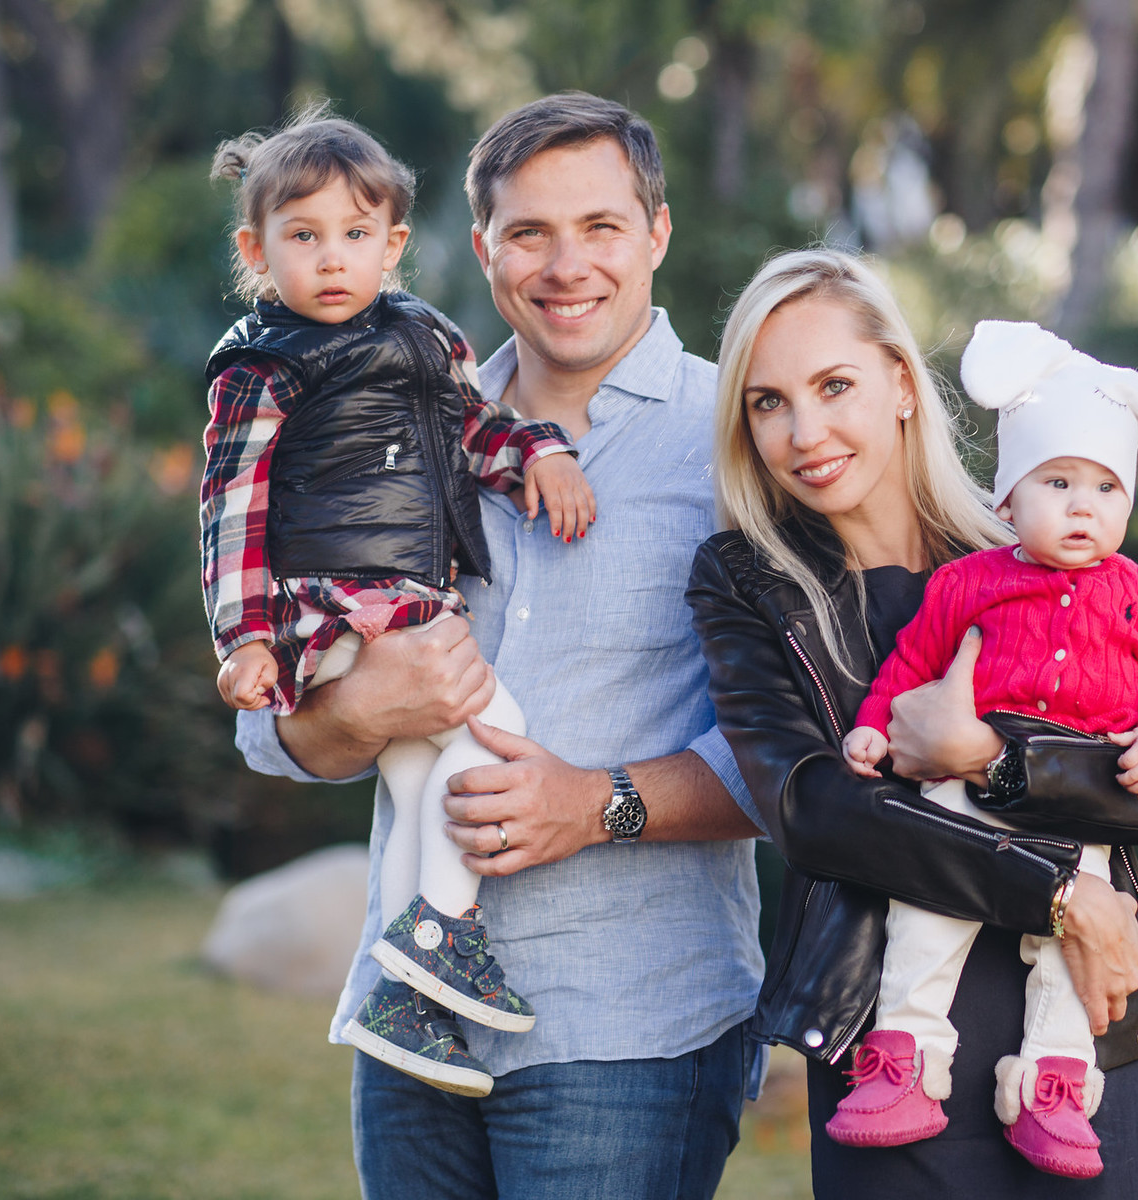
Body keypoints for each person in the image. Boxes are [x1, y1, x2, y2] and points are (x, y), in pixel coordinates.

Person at [233, 92, 763, 1200]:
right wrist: (357, 706)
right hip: (406, 1029)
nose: (566, 264)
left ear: (657, 234)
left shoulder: (741, 447)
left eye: (602, 227)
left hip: (629, 1031)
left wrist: (598, 802)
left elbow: (800, 753)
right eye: (529, 232)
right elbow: (276, 739)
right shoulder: (388, 408)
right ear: (483, 249)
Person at [687, 248, 1138, 1197]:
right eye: (767, 401)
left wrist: (991, 759)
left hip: (1083, 1043)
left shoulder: (1043, 542)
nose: (805, 431)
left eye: (834, 385)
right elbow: (814, 811)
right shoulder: (748, 580)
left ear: (899, 382)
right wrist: (1059, 890)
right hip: (892, 1056)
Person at [201, 106, 599, 1096]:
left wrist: (538, 452)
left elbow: (474, 428)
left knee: (424, 777)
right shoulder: (263, 364)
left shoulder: (426, 336)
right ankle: (441, 935)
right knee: (492, 725)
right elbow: (231, 507)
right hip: (328, 606)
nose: (331, 260)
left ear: (392, 245)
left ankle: (406, 992)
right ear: (257, 250)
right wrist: (245, 637)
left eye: (353, 235)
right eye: (303, 237)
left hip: (408, 599)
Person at [835, 320, 1138, 1175]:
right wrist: (874, 721)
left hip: (1071, 798)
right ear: (1009, 498)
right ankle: (905, 1061)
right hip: (954, 799)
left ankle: (1052, 1088)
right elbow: (913, 663)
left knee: (1066, 954)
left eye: (1106, 488)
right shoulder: (967, 583)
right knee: (925, 916)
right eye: (1058, 481)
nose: (1084, 504)